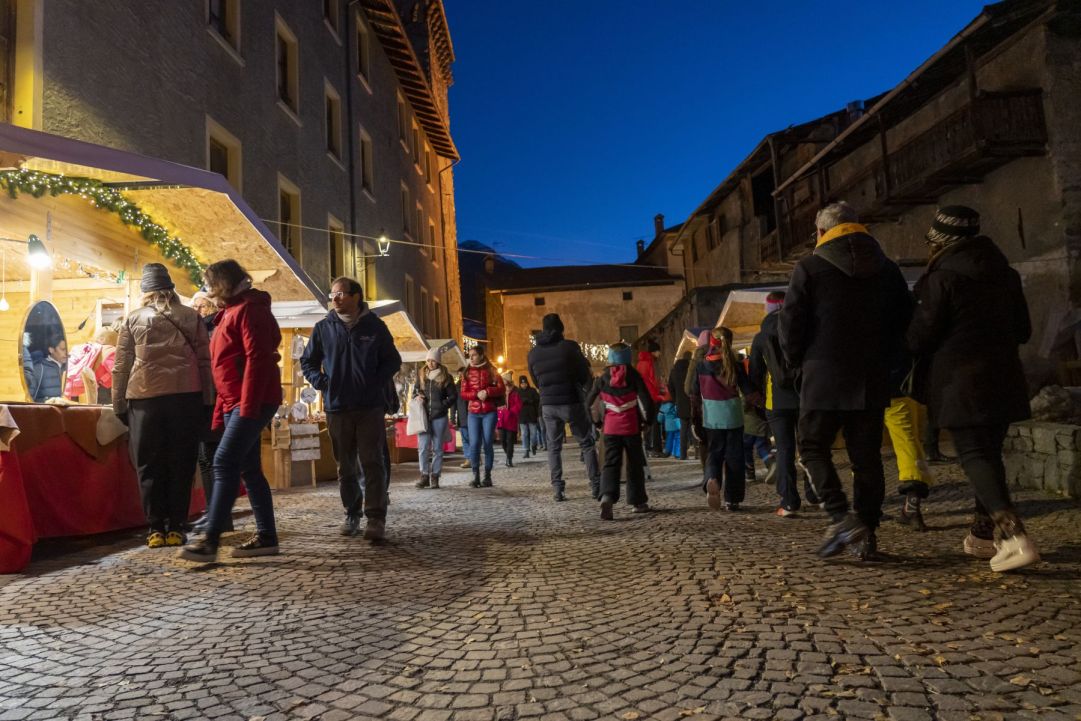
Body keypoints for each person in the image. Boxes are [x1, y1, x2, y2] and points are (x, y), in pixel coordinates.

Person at [907, 206, 1039, 572]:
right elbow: (1023, 330)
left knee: (975, 455)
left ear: (940, 241)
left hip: (960, 382)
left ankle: (1013, 537)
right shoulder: (1006, 275)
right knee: (989, 455)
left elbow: (920, 338)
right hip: (1004, 377)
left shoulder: (942, 278)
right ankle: (983, 536)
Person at [780, 201, 913, 560]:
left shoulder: (809, 267)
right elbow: (905, 321)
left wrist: (797, 364)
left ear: (821, 232)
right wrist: (891, 363)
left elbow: (791, 324)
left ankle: (841, 518)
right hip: (872, 375)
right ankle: (867, 534)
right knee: (866, 457)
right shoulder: (887, 269)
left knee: (812, 447)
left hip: (823, 374)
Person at [180, 260, 284, 562]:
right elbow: (224, 366)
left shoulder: (249, 310)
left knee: (224, 461)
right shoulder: (231, 311)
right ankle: (267, 537)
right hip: (236, 402)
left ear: (223, 283)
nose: (207, 290)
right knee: (248, 468)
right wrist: (222, 410)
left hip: (250, 401)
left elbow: (257, 359)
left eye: (209, 284)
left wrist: (246, 408)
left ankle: (210, 540)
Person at [113, 263, 213, 549]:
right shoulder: (191, 316)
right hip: (186, 397)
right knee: (181, 463)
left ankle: (155, 529)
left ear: (145, 291)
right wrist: (208, 400)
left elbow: (122, 366)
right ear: (170, 288)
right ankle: (177, 528)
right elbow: (204, 362)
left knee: (148, 464)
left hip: (144, 400)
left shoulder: (133, 318)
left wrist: (118, 404)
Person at [297, 276, 401, 542]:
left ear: (356, 296)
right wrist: (322, 382)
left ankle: (375, 518)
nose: (335, 298)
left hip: (370, 407)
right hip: (337, 407)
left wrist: (375, 382)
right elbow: (308, 362)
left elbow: (392, 360)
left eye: (341, 293)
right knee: (345, 466)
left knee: (372, 462)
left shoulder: (375, 326)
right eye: (332, 294)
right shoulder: (323, 328)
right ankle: (352, 513)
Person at [749, 291, 820, 517]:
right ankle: (815, 494)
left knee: (784, 450)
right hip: (805, 396)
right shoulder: (803, 330)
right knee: (809, 446)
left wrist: (758, 400)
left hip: (776, 401)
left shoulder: (761, 337)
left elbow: (755, 374)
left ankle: (789, 502)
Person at [527, 313, 601, 501]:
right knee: (586, 443)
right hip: (571, 401)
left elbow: (535, 381)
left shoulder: (533, 354)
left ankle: (558, 489)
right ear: (561, 329)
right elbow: (584, 374)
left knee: (553, 447)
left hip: (548, 405)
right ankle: (596, 485)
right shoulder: (569, 347)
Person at [586, 343, 654, 519]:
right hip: (631, 427)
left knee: (610, 464)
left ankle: (607, 496)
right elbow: (646, 402)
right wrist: (648, 421)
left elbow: (590, 403)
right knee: (634, 464)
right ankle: (638, 502)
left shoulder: (602, 379)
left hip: (610, 428)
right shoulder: (634, 377)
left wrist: (597, 422)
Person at [690, 327, 752, 511]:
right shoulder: (736, 364)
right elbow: (748, 391)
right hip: (733, 416)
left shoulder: (701, 365)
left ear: (711, 342)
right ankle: (732, 499)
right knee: (735, 456)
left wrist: (696, 416)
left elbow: (694, 393)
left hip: (712, 417)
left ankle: (712, 478)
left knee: (714, 453)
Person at [188, 291, 232, 535]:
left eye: (202, 305)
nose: (197, 310)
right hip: (204, 400)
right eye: (194, 306)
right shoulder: (199, 330)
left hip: (215, 400)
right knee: (206, 459)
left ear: (212, 306)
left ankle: (219, 516)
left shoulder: (214, 328)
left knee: (214, 458)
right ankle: (214, 513)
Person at [884, 351, 935, 532]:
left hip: (864, 386)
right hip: (899, 381)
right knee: (907, 441)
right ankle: (912, 504)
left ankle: (867, 504)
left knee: (864, 446)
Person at [461, 345, 504, 487]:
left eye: (473, 355)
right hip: (473, 413)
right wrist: (475, 394)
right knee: (474, 444)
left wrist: (488, 392)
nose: (471, 358)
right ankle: (476, 476)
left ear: (481, 355)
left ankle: (487, 476)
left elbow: (501, 388)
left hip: (489, 412)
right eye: (470, 356)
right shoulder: (466, 372)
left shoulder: (492, 370)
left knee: (487, 443)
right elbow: (463, 393)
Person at [414, 347, 457, 490]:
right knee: (423, 447)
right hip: (424, 417)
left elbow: (453, 396)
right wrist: (418, 396)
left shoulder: (446, 377)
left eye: (433, 360)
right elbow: (415, 392)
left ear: (438, 361)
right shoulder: (422, 375)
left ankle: (435, 476)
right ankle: (424, 475)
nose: (430, 363)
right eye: (428, 360)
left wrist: (442, 406)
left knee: (438, 448)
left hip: (439, 417)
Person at [64, 325, 118, 404]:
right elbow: (116, 372)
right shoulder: (109, 350)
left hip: (69, 382)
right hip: (85, 386)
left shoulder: (84, 348)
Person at [685, 330, 713, 467]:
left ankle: (708, 472)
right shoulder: (722, 356)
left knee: (704, 441)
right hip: (722, 406)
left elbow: (687, 388)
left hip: (701, 408)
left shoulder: (695, 362)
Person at [636, 340, 665, 456]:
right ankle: (657, 449)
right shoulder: (651, 362)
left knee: (646, 421)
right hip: (653, 395)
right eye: (658, 351)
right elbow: (654, 380)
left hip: (643, 395)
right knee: (656, 422)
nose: (660, 354)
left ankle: (647, 446)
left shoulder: (639, 363)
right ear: (654, 352)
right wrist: (660, 390)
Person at [24, 333, 67, 403]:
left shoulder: (73, 368)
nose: (66, 353)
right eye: (63, 349)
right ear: (51, 350)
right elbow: (29, 399)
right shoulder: (39, 369)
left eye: (67, 349)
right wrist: (46, 402)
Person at [667, 351, 693, 461]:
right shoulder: (691, 369)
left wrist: (675, 399)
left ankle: (683, 454)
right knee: (694, 426)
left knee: (683, 428)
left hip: (680, 402)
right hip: (692, 401)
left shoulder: (674, 371)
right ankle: (696, 452)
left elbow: (670, 387)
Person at [497, 370, 522, 467]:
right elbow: (497, 403)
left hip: (511, 419)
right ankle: (508, 454)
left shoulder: (515, 392)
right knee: (503, 441)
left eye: (504, 380)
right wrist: (498, 408)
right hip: (501, 420)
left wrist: (509, 411)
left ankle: (509, 458)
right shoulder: (500, 391)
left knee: (510, 440)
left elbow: (518, 405)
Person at [517, 375, 542, 458]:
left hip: (532, 415)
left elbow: (538, 401)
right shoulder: (518, 392)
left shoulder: (532, 391)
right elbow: (516, 404)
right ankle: (526, 450)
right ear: (520, 384)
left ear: (527, 383)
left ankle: (533, 445)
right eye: (522, 384)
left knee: (534, 434)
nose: (523, 385)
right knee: (524, 434)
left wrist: (531, 401)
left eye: (525, 383)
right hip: (522, 416)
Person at [453, 373, 471, 468]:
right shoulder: (457, 387)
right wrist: (452, 417)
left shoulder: (472, 385)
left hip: (473, 415)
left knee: (473, 439)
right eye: (460, 375)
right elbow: (454, 403)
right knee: (465, 439)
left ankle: (474, 457)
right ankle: (469, 459)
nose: (461, 377)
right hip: (462, 416)